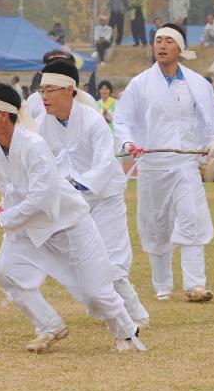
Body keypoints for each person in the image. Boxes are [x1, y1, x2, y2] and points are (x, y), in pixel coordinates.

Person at [0, 83, 144, 353]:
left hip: (67, 224)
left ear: (2, 115)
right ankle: (49, 325)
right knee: (5, 271)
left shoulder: (34, 146)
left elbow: (42, 198)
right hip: (25, 227)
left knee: (96, 292)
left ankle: (127, 332)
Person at [34, 60, 149, 327]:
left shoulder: (93, 121)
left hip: (104, 197)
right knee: (79, 258)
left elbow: (105, 164)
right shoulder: (41, 124)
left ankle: (137, 312)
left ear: (69, 89)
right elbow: (35, 165)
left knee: (112, 261)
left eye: (50, 90)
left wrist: (78, 184)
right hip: (72, 203)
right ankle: (104, 306)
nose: (44, 96)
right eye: (42, 91)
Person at [114, 23, 214, 303]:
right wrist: (127, 143)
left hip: (185, 164)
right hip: (152, 164)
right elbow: (122, 118)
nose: (161, 46)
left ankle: (195, 285)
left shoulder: (197, 83)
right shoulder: (139, 84)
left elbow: (213, 115)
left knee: (192, 217)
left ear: (180, 48)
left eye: (168, 41)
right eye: (158, 40)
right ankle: (162, 285)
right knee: (156, 224)